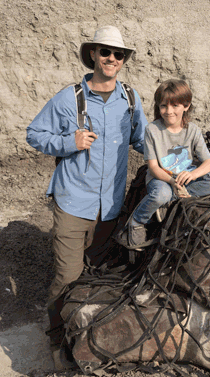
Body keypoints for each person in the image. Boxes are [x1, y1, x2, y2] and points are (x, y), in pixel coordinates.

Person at [26, 26, 147, 355]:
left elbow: (146, 142)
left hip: (109, 207)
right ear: (93, 54)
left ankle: (88, 338)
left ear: (123, 61)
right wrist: (69, 143)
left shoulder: (131, 101)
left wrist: (181, 161)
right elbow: (34, 134)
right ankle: (56, 340)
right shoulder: (69, 98)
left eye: (117, 54)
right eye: (105, 52)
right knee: (67, 276)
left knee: (98, 275)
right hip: (72, 203)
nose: (111, 58)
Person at [127, 79, 210, 246]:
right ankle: (137, 221)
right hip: (162, 179)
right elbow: (153, 167)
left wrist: (192, 174)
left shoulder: (193, 130)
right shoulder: (152, 130)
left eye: (175, 106)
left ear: (186, 106)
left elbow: (209, 163)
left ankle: (172, 200)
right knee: (161, 194)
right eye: (163, 106)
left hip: (185, 179)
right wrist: (172, 182)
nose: (168, 111)